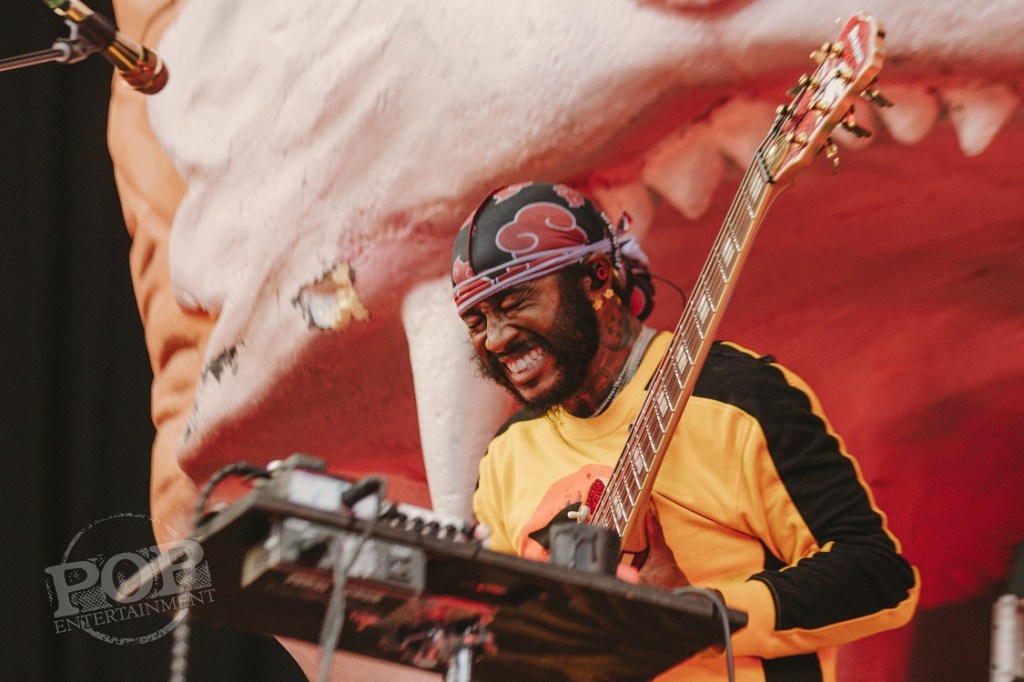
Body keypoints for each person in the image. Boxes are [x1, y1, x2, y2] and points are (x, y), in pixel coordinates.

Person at [449, 181, 920, 681]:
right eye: (476, 321)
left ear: (595, 276)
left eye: (515, 303)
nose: (495, 338)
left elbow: (879, 577)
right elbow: (500, 634)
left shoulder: (737, 398)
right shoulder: (507, 454)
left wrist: (698, 613)